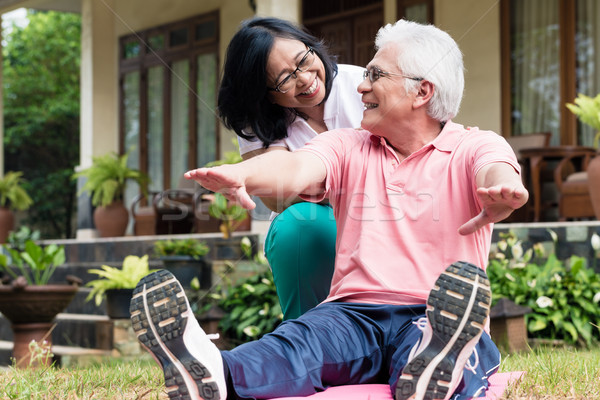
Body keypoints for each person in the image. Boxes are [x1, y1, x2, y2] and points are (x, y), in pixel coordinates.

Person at [131, 20, 528, 400]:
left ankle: (435, 363)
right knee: (297, 344)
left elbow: (495, 168)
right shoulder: (347, 144)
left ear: (422, 92)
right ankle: (214, 371)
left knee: (454, 346)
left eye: (374, 76)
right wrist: (242, 173)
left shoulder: (476, 146)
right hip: (353, 313)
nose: (359, 85)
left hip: (431, 312)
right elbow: (294, 167)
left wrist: (502, 188)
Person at [217, 17, 365, 320]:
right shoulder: (257, 120)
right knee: (300, 224)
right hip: (318, 223)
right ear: (264, 93)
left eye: (304, 60)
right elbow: (276, 197)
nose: (305, 79)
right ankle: (308, 341)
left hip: (385, 209)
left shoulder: (361, 85)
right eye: (285, 79)